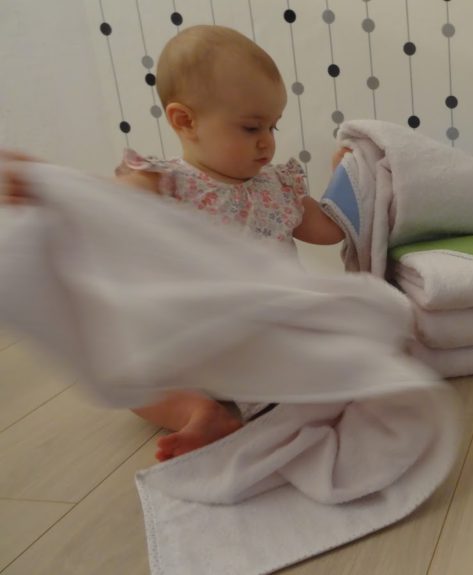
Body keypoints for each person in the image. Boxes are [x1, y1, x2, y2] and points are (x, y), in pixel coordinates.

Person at [1, 25, 350, 461]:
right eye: (250, 127)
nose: (267, 141)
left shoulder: (278, 186)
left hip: (267, 334)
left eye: (272, 125)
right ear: (185, 121)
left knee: (327, 349)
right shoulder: (164, 181)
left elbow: (330, 230)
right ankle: (198, 410)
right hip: (193, 343)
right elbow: (108, 207)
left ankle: (274, 401)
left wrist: (349, 178)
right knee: (134, 382)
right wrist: (50, 188)